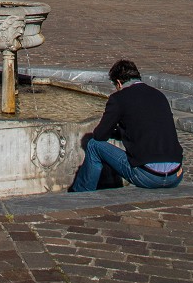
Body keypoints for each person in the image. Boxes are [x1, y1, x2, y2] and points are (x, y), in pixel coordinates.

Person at [70, 58, 183, 193]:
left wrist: (115, 130)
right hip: (175, 174)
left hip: (149, 176)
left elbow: (100, 136)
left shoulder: (119, 98)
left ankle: (80, 193)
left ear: (118, 83)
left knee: (94, 145)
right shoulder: (159, 95)